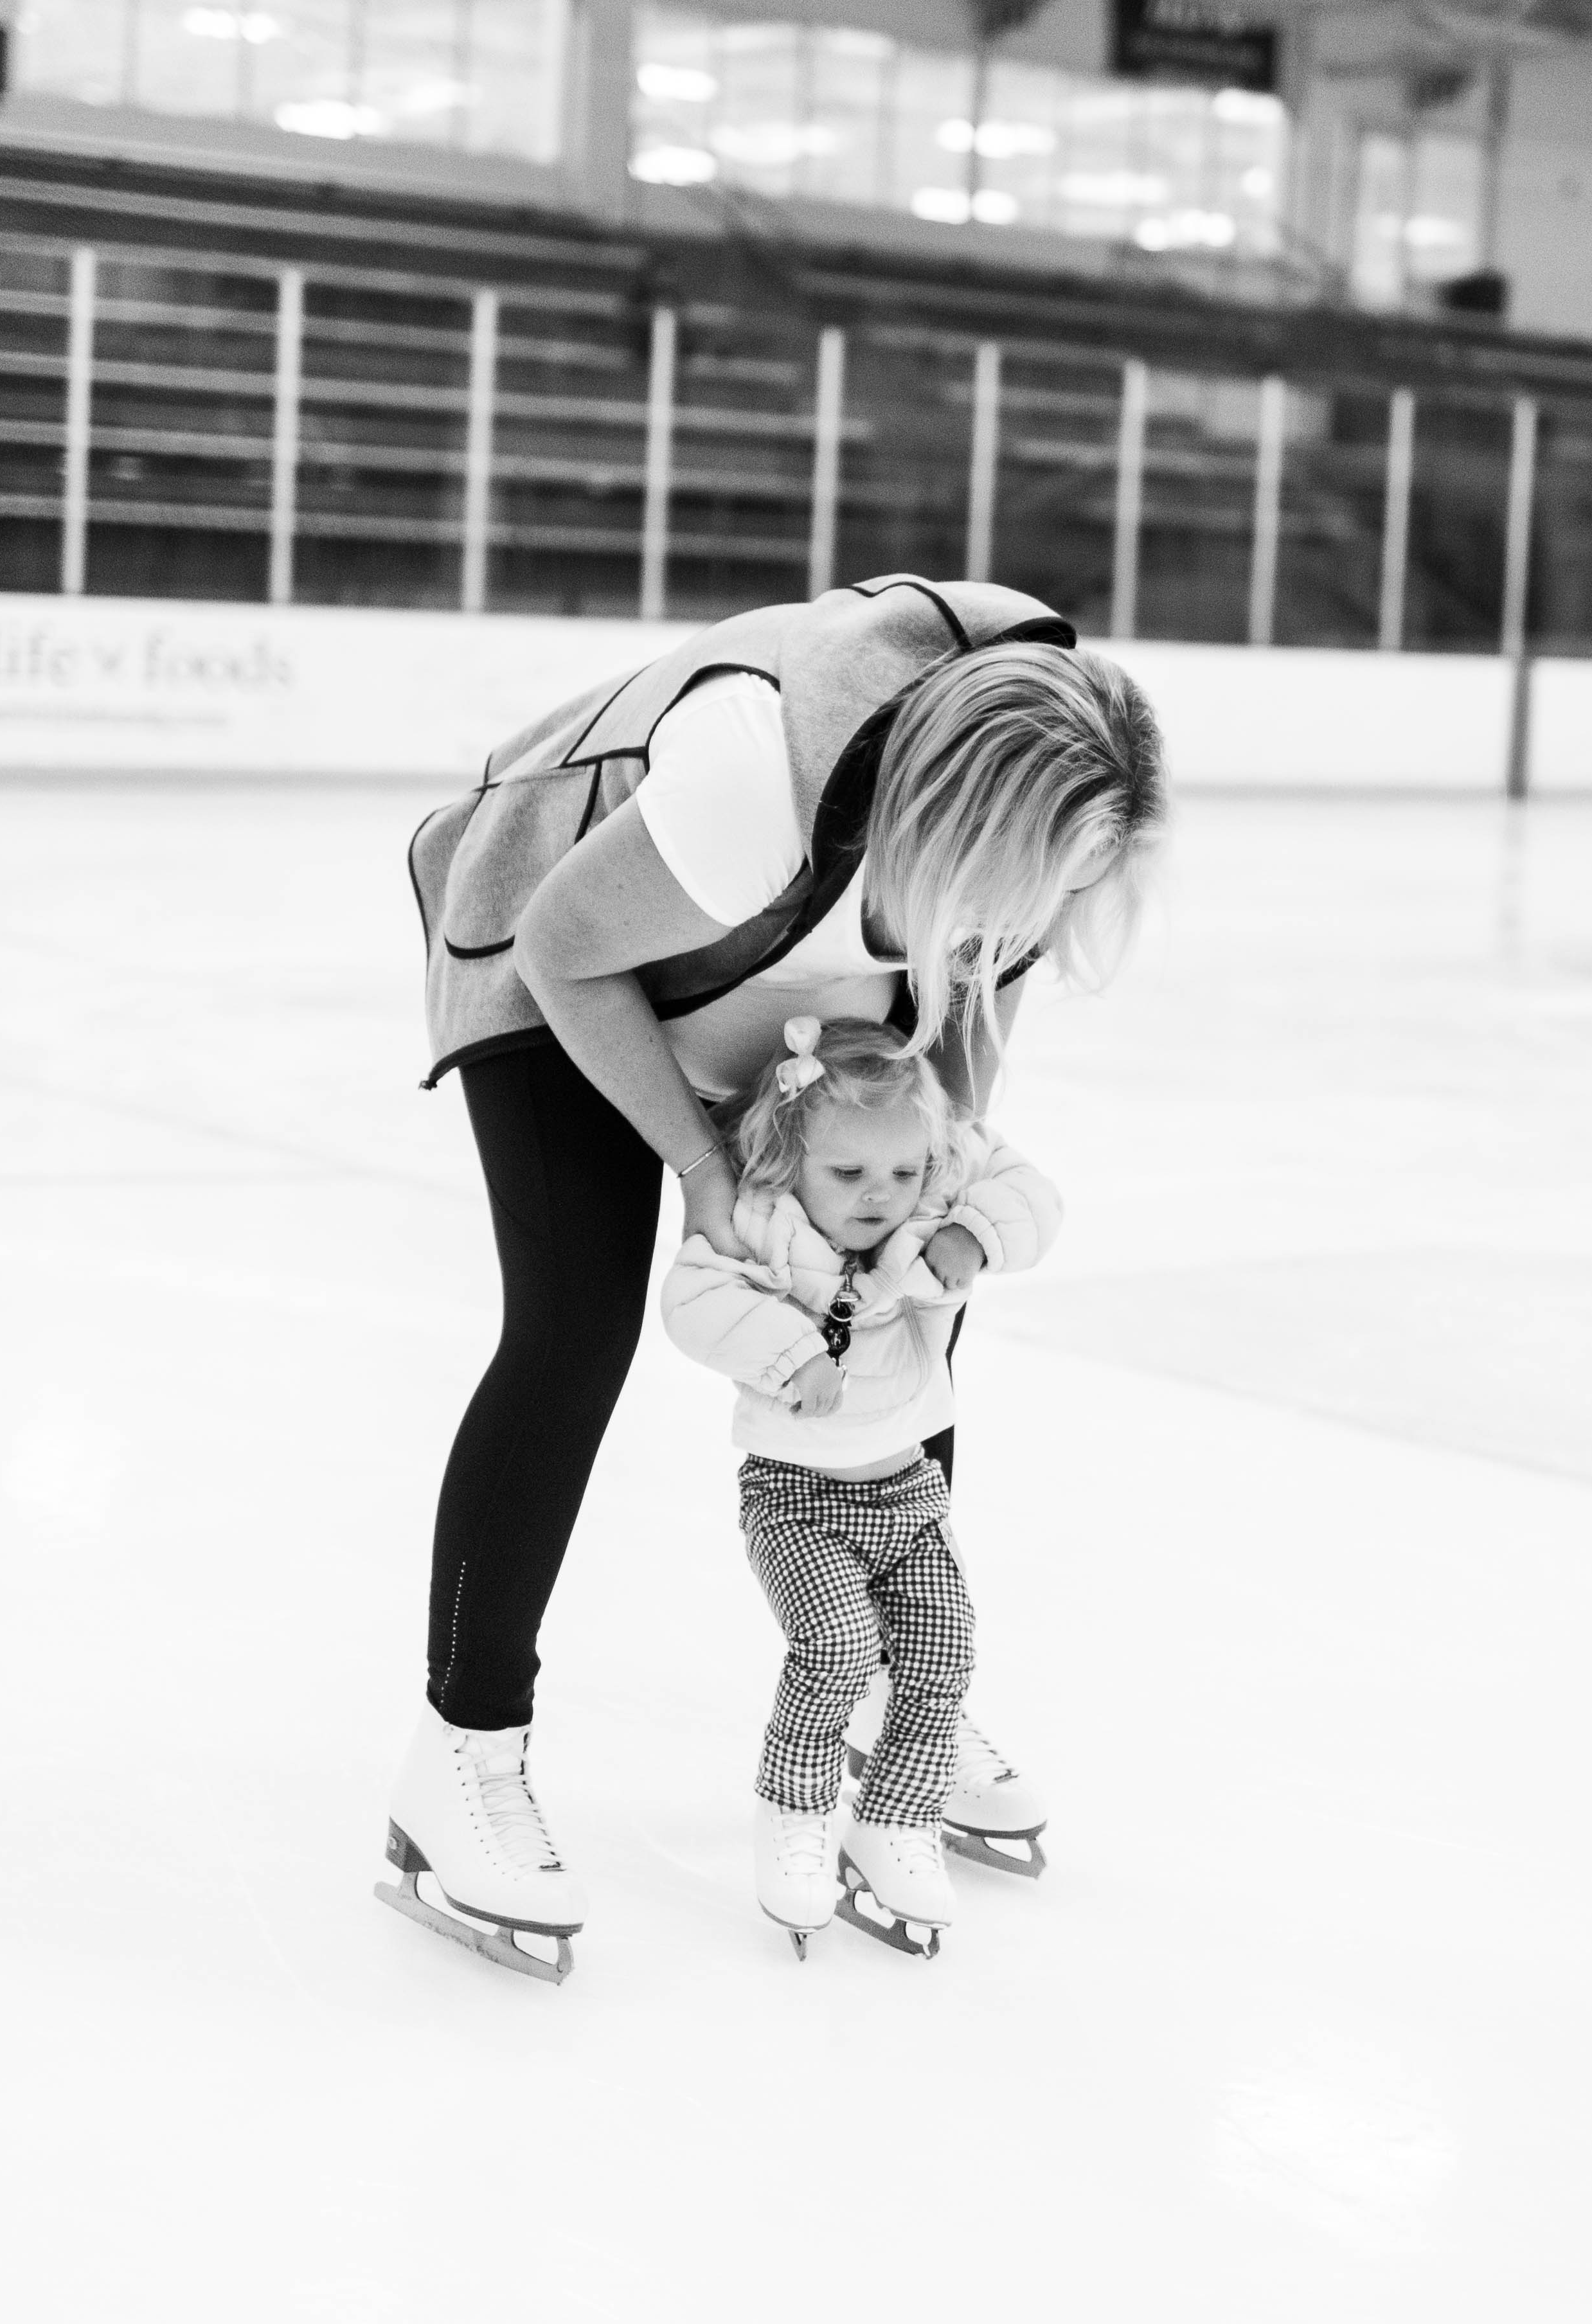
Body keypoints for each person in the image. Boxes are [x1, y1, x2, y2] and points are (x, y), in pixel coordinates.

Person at [373, 574, 1165, 1987]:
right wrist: (698, 1161)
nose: (1017, 928)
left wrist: (946, 1177)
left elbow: (973, 1008)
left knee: (919, 1287)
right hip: (563, 948)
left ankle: (881, 1679)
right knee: (575, 1325)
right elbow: (567, 946)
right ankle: (459, 1760)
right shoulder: (758, 780)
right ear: (947, 825)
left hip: (780, 962)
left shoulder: (1051, 805)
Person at [657, 1014, 1061, 1959]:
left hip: (911, 1490)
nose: (882, 1196)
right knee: (836, 1646)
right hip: (797, 1497)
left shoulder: (934, 1186)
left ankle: (896, 1820)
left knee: (942, 1655)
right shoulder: (756, 1218)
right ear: (789, 1156)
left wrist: (970, 1227)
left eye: (905, 1174)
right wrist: (788, 1349)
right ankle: (795, 1816)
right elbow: (692, 1300)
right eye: (849, 1176)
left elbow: (1031, 1195)